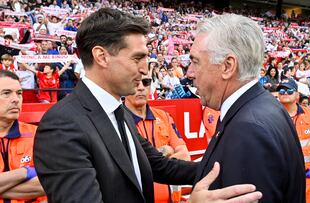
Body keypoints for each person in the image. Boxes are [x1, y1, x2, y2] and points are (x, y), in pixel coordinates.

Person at [34, 8, 262, 203]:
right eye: (137, 58)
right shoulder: (62, 125)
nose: (145, 69)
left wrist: (227, 170)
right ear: (101, 57)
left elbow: (160, 167)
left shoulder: (118, 111)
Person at [187, 14, 305, 203]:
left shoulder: (248, 129)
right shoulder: (263, 105)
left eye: (195, 61)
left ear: (227, 66)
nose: (189, 73)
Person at [125, 75, 190, 203]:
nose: (141, 87)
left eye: (146, 82)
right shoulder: (117, 121)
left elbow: (185, 156)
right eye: (136, 82)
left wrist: (152, 160)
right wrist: (166, 151)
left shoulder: (164, 116)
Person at [0, 70, 46, 202]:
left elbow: (50, 182)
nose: (16, 99)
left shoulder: (39, 135)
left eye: (19, 93)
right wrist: (25, 172)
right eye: (6, 93)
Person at [277, 78, 310, 203]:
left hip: (307, 176)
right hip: (282, 177)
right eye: (281, 91)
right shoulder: (271, 115)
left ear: (297, 95)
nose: (285, 93)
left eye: (289, 90)